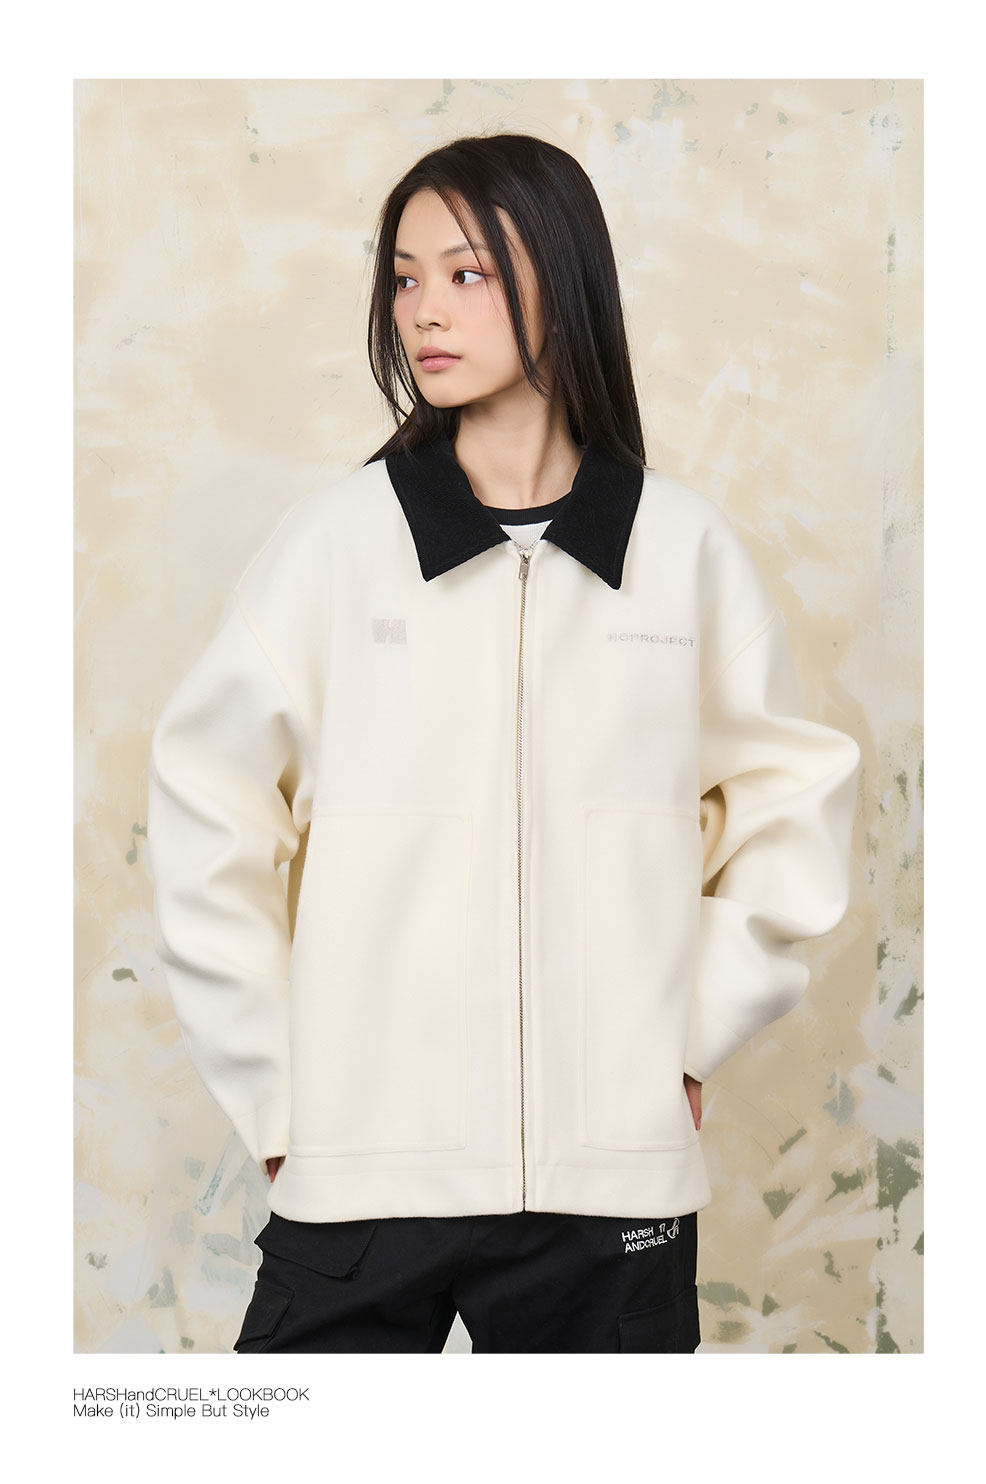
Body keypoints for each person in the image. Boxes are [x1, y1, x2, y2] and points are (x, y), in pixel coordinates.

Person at [146, 132, 861, 1354]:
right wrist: (274, 1095)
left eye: (466, 273)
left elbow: (790, 810)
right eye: (405, 277)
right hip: (360, 1172)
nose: (423, 310)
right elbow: (206, 810)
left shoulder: (681, 552)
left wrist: (697, 1032)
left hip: (609, 1186)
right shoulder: (332, 548)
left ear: (563, 285)